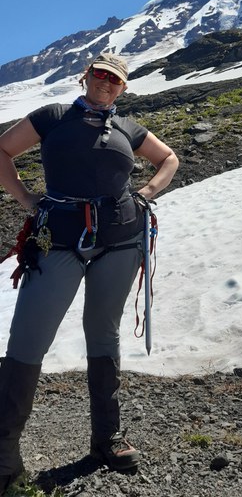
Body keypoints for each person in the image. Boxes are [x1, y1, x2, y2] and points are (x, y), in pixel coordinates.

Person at [0, 52, 179, 494]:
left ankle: (106, 439)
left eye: (115, 80)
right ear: (86, 77)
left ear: (123, 87)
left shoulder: (127, 128)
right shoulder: (53, 116)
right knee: (28, 339)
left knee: (103, 335)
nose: (106, 83)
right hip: (58, 241)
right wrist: (26, 198)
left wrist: (146, 193)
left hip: (120, 242)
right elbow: (3, 149)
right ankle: (4, 455)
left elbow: (169, 158)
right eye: (100, 75)